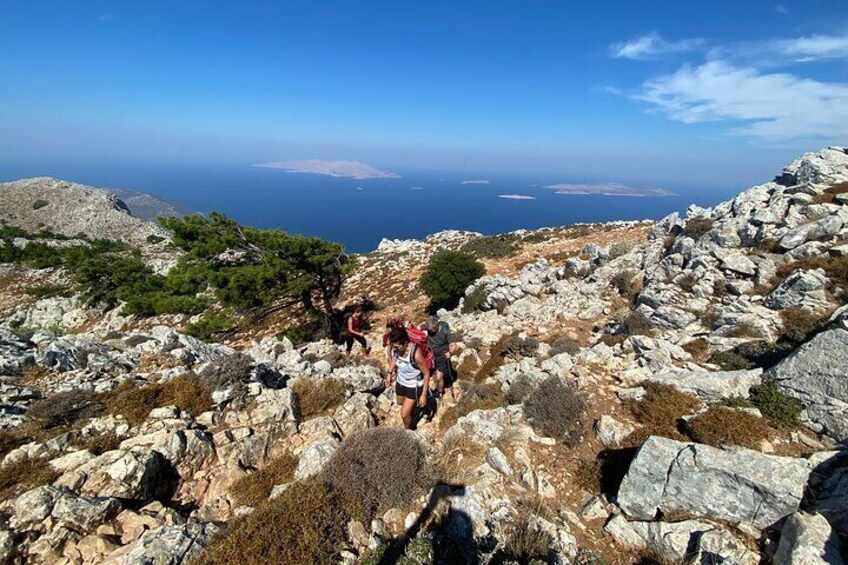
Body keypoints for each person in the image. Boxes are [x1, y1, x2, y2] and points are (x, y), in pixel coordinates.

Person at [385, 326, 431, 429]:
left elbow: (426, 373)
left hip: (413, 384)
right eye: (393, 345)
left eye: (397, 346)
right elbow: (394, 359)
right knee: (400, 402)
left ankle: (408, 429)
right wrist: (389, 374)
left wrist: (423, 394)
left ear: (405, 343)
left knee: (404, 414)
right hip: (401, 381)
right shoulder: (396, 349)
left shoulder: (416, 354)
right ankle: (414, 408)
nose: (395, 348)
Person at [421, 316, 452, 397]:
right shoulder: (428, 326)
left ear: (437, 326)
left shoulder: (445, 331)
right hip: (430, 356)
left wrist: (450, 351)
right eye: (429, 330)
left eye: (432, 330)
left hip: (441, 357)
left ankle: (440, 392)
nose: (430, 332)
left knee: (439, 378)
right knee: (433, 373)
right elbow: (418, 328)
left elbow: (453, 345)